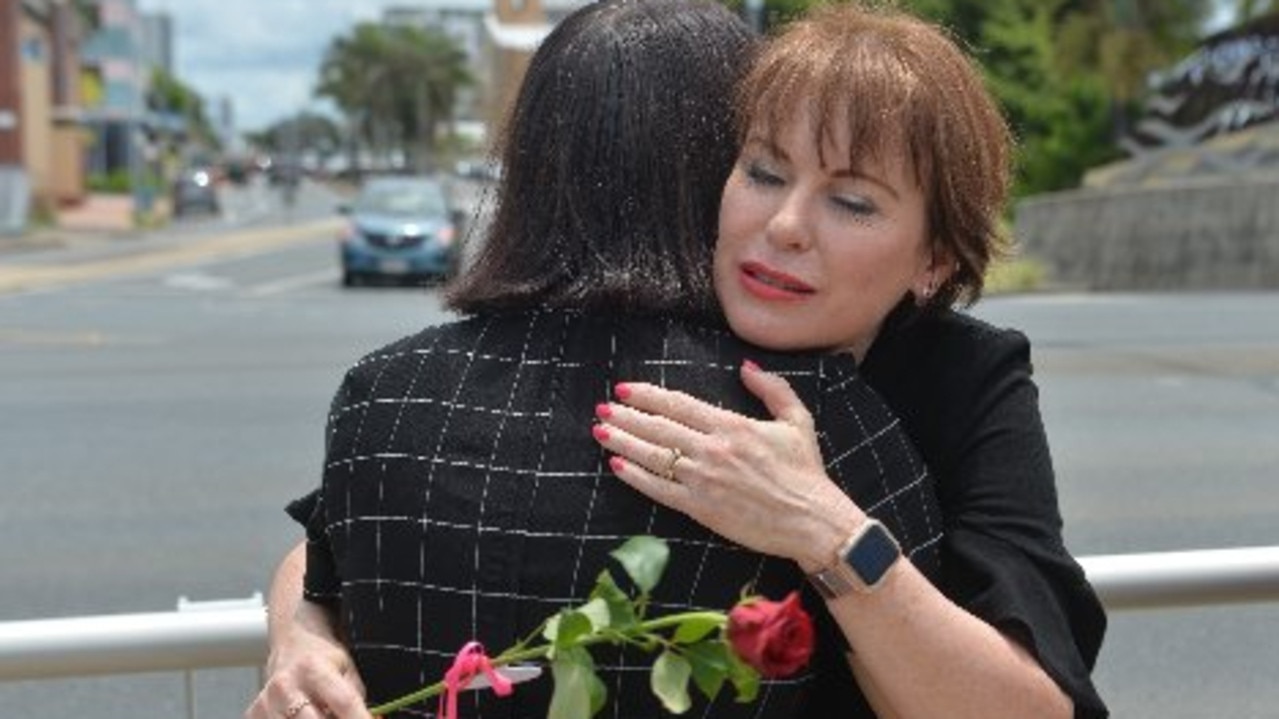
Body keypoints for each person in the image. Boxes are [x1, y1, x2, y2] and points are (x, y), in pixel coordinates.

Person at [246, 2, 942, 718]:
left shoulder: (383, 394)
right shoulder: (797, 415)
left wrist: (293, 632)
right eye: (765, 166)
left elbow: (326, 570)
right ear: (721, 168)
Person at [592, 3, 1106, 718]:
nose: (784, 225)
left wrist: (818, 526)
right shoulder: (627, 330)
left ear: (934, 260)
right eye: (764, 171)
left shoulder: (965, 377)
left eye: (853, 203)